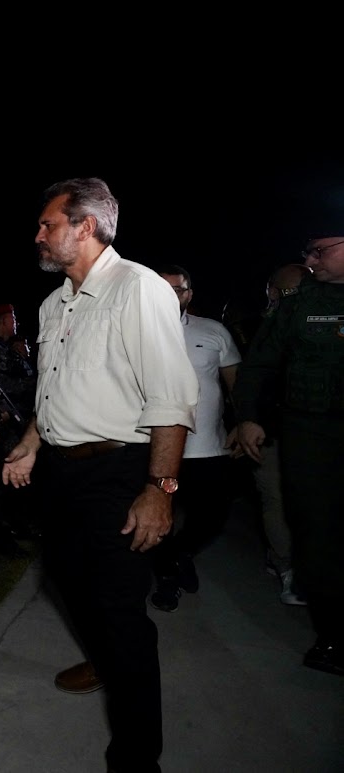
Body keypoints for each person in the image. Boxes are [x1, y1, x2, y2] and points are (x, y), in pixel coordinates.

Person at [1, 177, 198, 773]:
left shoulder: (138, 289)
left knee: (119, 614)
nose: (38, 235)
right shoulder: (52, 302)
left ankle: (137, 759)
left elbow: (170, 398)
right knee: (66, 578)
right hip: (61, 473)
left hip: (118, 471)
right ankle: (105, 659)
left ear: (85, 226)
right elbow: (54, 389)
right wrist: (32, 445)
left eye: (48, 224)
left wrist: (159, 489)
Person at [231, 225, 344, 677]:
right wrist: (249, 417)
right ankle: (333, 637)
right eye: (308, 251)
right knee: (317, 535)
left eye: (320, 249)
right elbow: (258, 366)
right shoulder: (298, 307)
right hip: (311, 435)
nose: (311, 258)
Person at [145, 264, 241, 613]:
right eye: (165, 288)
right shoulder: (138, 331)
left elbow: (236, 384)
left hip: (207, 448)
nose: (173, 295)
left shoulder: (214, 331)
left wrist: (244, 422)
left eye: (179, 289)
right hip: (153, 448)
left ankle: (180, 553)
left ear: (189, 294)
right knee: (158, 515)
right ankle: (166, 579)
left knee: (212, 515)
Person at [237, 263, 312, 604]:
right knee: (275, 499)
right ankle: (287, 569)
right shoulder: (254, 328)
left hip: (310, 432)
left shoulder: (318, 323)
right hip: (266, 430)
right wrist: (244, 422)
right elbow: (243, 379)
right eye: (289, 292)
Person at [0, 303, 40, 557]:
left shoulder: (5, 350)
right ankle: (3, 537)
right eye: (12, 318)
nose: (15, 323)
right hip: (4, 426)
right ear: (2, 321)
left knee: (17, 484)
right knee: (3, 483)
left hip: (20, 423)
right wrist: (33, 382)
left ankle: (17, 526)